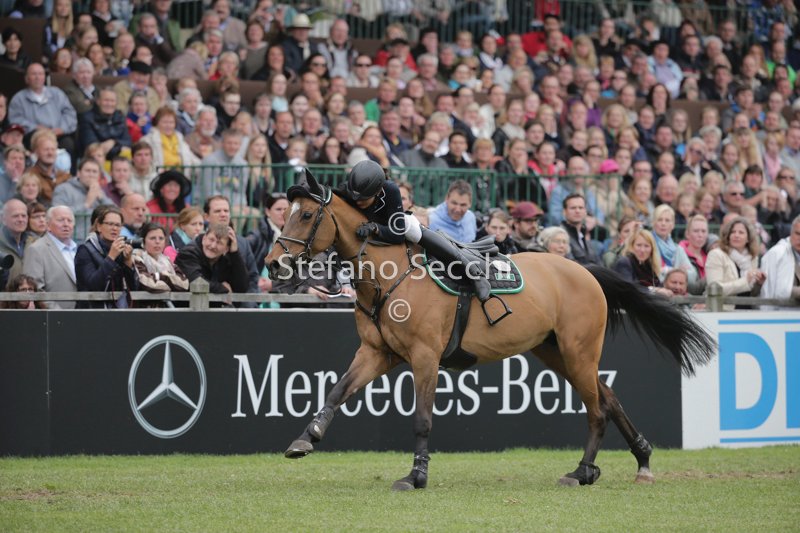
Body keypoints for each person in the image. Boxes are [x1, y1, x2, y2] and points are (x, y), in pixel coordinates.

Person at [342, 162, 493, 307]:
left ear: (378, 191)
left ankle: (473, 272)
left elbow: (397, 235)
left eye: (364, 198)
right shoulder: (349, 190)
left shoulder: (391, 189)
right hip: (364, 223)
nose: (357, 201)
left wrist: (376, 228)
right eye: (355, 196)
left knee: (412, 227)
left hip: (389, 223)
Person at [74, 205, 139, 309]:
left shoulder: (120, 249)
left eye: (118, 225)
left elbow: (134, 288)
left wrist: (128, 262)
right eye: (110, 224)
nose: (114, 228)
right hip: (91, 313)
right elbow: (93, 287)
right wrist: (111, 257)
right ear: (99, 227)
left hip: (118, 312)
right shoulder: (85, 250)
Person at [9, 63, 77, 153]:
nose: (37, 77)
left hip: (58, 135)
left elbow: (70, 114)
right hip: (34, 136)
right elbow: (16, 120)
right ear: (27, 78)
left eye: (40, 74)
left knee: (69, 144)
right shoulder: (18, 98)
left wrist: (62, 129)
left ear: (44, 77)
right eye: (34, 74)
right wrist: (36, 128)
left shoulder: (57, 93)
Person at [175, 222, 248, 304]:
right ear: (204, 239)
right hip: (186, 307)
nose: (213, 246)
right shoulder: (188, 253)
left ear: (226, 249)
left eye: (219, 243)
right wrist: (223, 288)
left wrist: (235, 253)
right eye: (211, 240)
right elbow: (196, 281)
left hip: (215, 308)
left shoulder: (226, 259)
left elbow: (242, 288)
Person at [22, 205, 78, 309]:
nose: (66, 224)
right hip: (54, 316)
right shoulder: (36, 249)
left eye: (69, 220)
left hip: (83, 313)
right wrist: (57, 313)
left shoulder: (77, 249)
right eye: (60, 220)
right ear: (48, 225)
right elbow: (35, 289)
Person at [705, 216, 766, 309]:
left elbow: (751, 293)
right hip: (723, 312)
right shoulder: (716, 255)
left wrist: (758, 284)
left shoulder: (753, 258)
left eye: (741, 232)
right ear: (728, 236)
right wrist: (745, 280)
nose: (736, 235)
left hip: (748, 311)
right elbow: (714, 289)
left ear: (748, 238)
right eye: (733, 232)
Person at [51, 159, 114, 241]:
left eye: (94, 172)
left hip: (95, 240)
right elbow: (57, 214)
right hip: (71, 240)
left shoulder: (98, 191)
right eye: (87, 171)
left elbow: (115, 212)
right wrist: (86, 204)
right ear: (78, 173)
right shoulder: (63, 189)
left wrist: (102, 198)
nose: (91, 175)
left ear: (99, 176)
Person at [131, 222, 188, 298]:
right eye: (152, 238)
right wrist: (168, 280)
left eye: (161, 238)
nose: (157, 242)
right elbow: (147, 284)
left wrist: (158, 277)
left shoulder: (167, 260)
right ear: (143, 241)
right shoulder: (137, 258)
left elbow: (184, 284)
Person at [247, 192, 289, 292]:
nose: (283, 213)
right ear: (267, 212)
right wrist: (256, 279)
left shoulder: (294, 237)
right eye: (278, 209)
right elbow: (244, 263)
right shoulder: (255, 236)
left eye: (286, 209)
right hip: (258, 291)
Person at [613, 227, 671, 295]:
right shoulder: (624, 262)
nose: (642, 250)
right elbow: (629, 288)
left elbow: (659, 286)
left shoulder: (648, 265)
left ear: (652, 249)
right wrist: (654, 290)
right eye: (639, 245)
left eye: (646, 246)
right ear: (632, 246)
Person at [760, 215, 800, 309]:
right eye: (797, 233)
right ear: (791, 233)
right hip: (777, 313)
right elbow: (780, 291)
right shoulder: (778, 253)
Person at [561, 193, 602, 266]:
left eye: (581, 208)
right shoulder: (560, 234)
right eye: (573, 208)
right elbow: (571, 265)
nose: (577, 211)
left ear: (585, 211)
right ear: (564, 212)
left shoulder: (584, 234)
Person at [0, 198, 30, 284]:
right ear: (3, 219)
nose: (20, 219)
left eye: (23, 216)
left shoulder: (34, 242)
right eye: (15, 216)